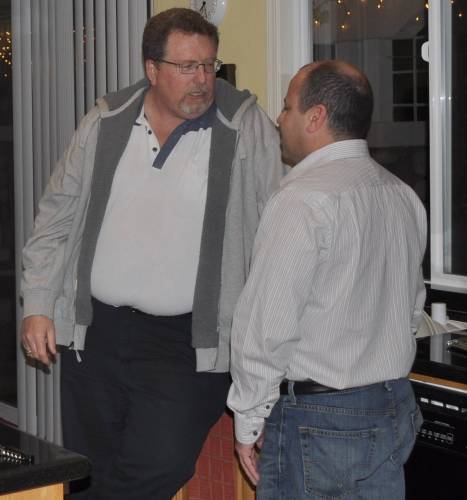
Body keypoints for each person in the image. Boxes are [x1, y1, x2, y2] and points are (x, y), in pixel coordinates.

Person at [20, 8, 283, 499]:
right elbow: (56, 215)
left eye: (208, 64)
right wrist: (37, 304)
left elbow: (277, 234)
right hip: (95, 332)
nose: (201, 79)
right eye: (186, 66)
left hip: (188, 343)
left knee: (160, 464)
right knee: (88, 470)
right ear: (152, 69)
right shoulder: (106, 120)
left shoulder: (245, 128)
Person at [227, 60, 427, 500]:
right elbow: (412, 309)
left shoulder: (301, 200)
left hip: (321, 421)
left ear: (315, 117)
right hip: (393, 405)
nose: (279, 118)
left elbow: (267, 326)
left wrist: (249, 418)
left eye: (287, 107)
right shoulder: (403, 195)